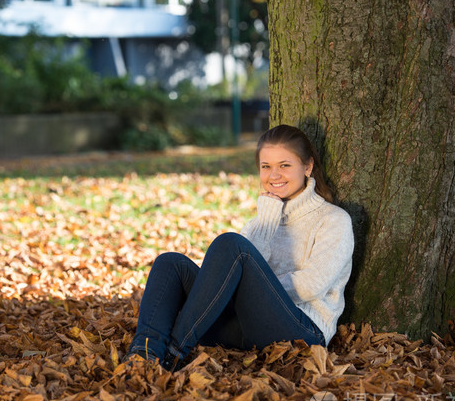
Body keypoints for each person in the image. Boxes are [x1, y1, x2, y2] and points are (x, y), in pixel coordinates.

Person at [125, 124, 355, 371]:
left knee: (230, 244)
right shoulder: (260, 222)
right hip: (244, 327)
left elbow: (312, 285)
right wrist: (266, 224)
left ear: (307, 166)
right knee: (169, 263)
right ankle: (144, 355)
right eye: (266, 167)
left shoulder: (333, 220)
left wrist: (254, 288)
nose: (274, 175)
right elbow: (233, 278)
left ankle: (174, 351)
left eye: (284, 165)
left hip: (301, 334)